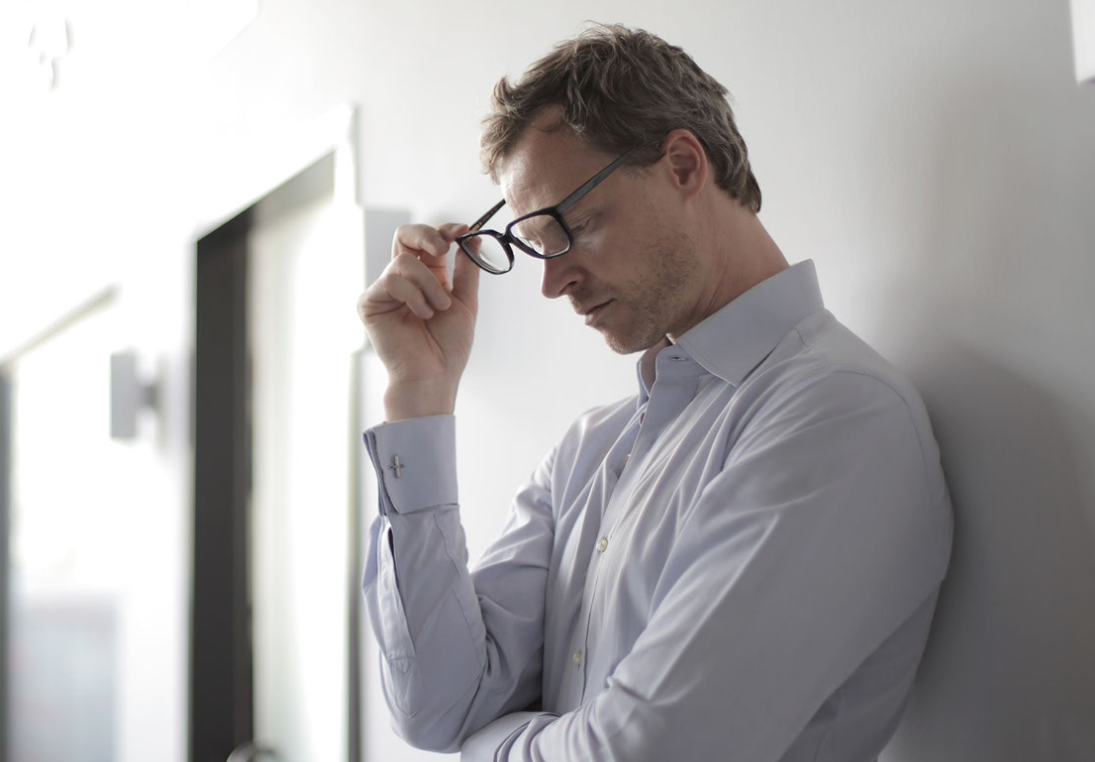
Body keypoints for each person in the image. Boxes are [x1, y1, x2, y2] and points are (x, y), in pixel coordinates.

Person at [355, 23, 953, 762]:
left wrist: (492, 745)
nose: (552, 283)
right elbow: (436, 709)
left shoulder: (839, 416)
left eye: (572, 228)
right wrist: (418, 397)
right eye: (534, 250)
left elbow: (641, 753)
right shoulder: (588, 451)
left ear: (681, 165)